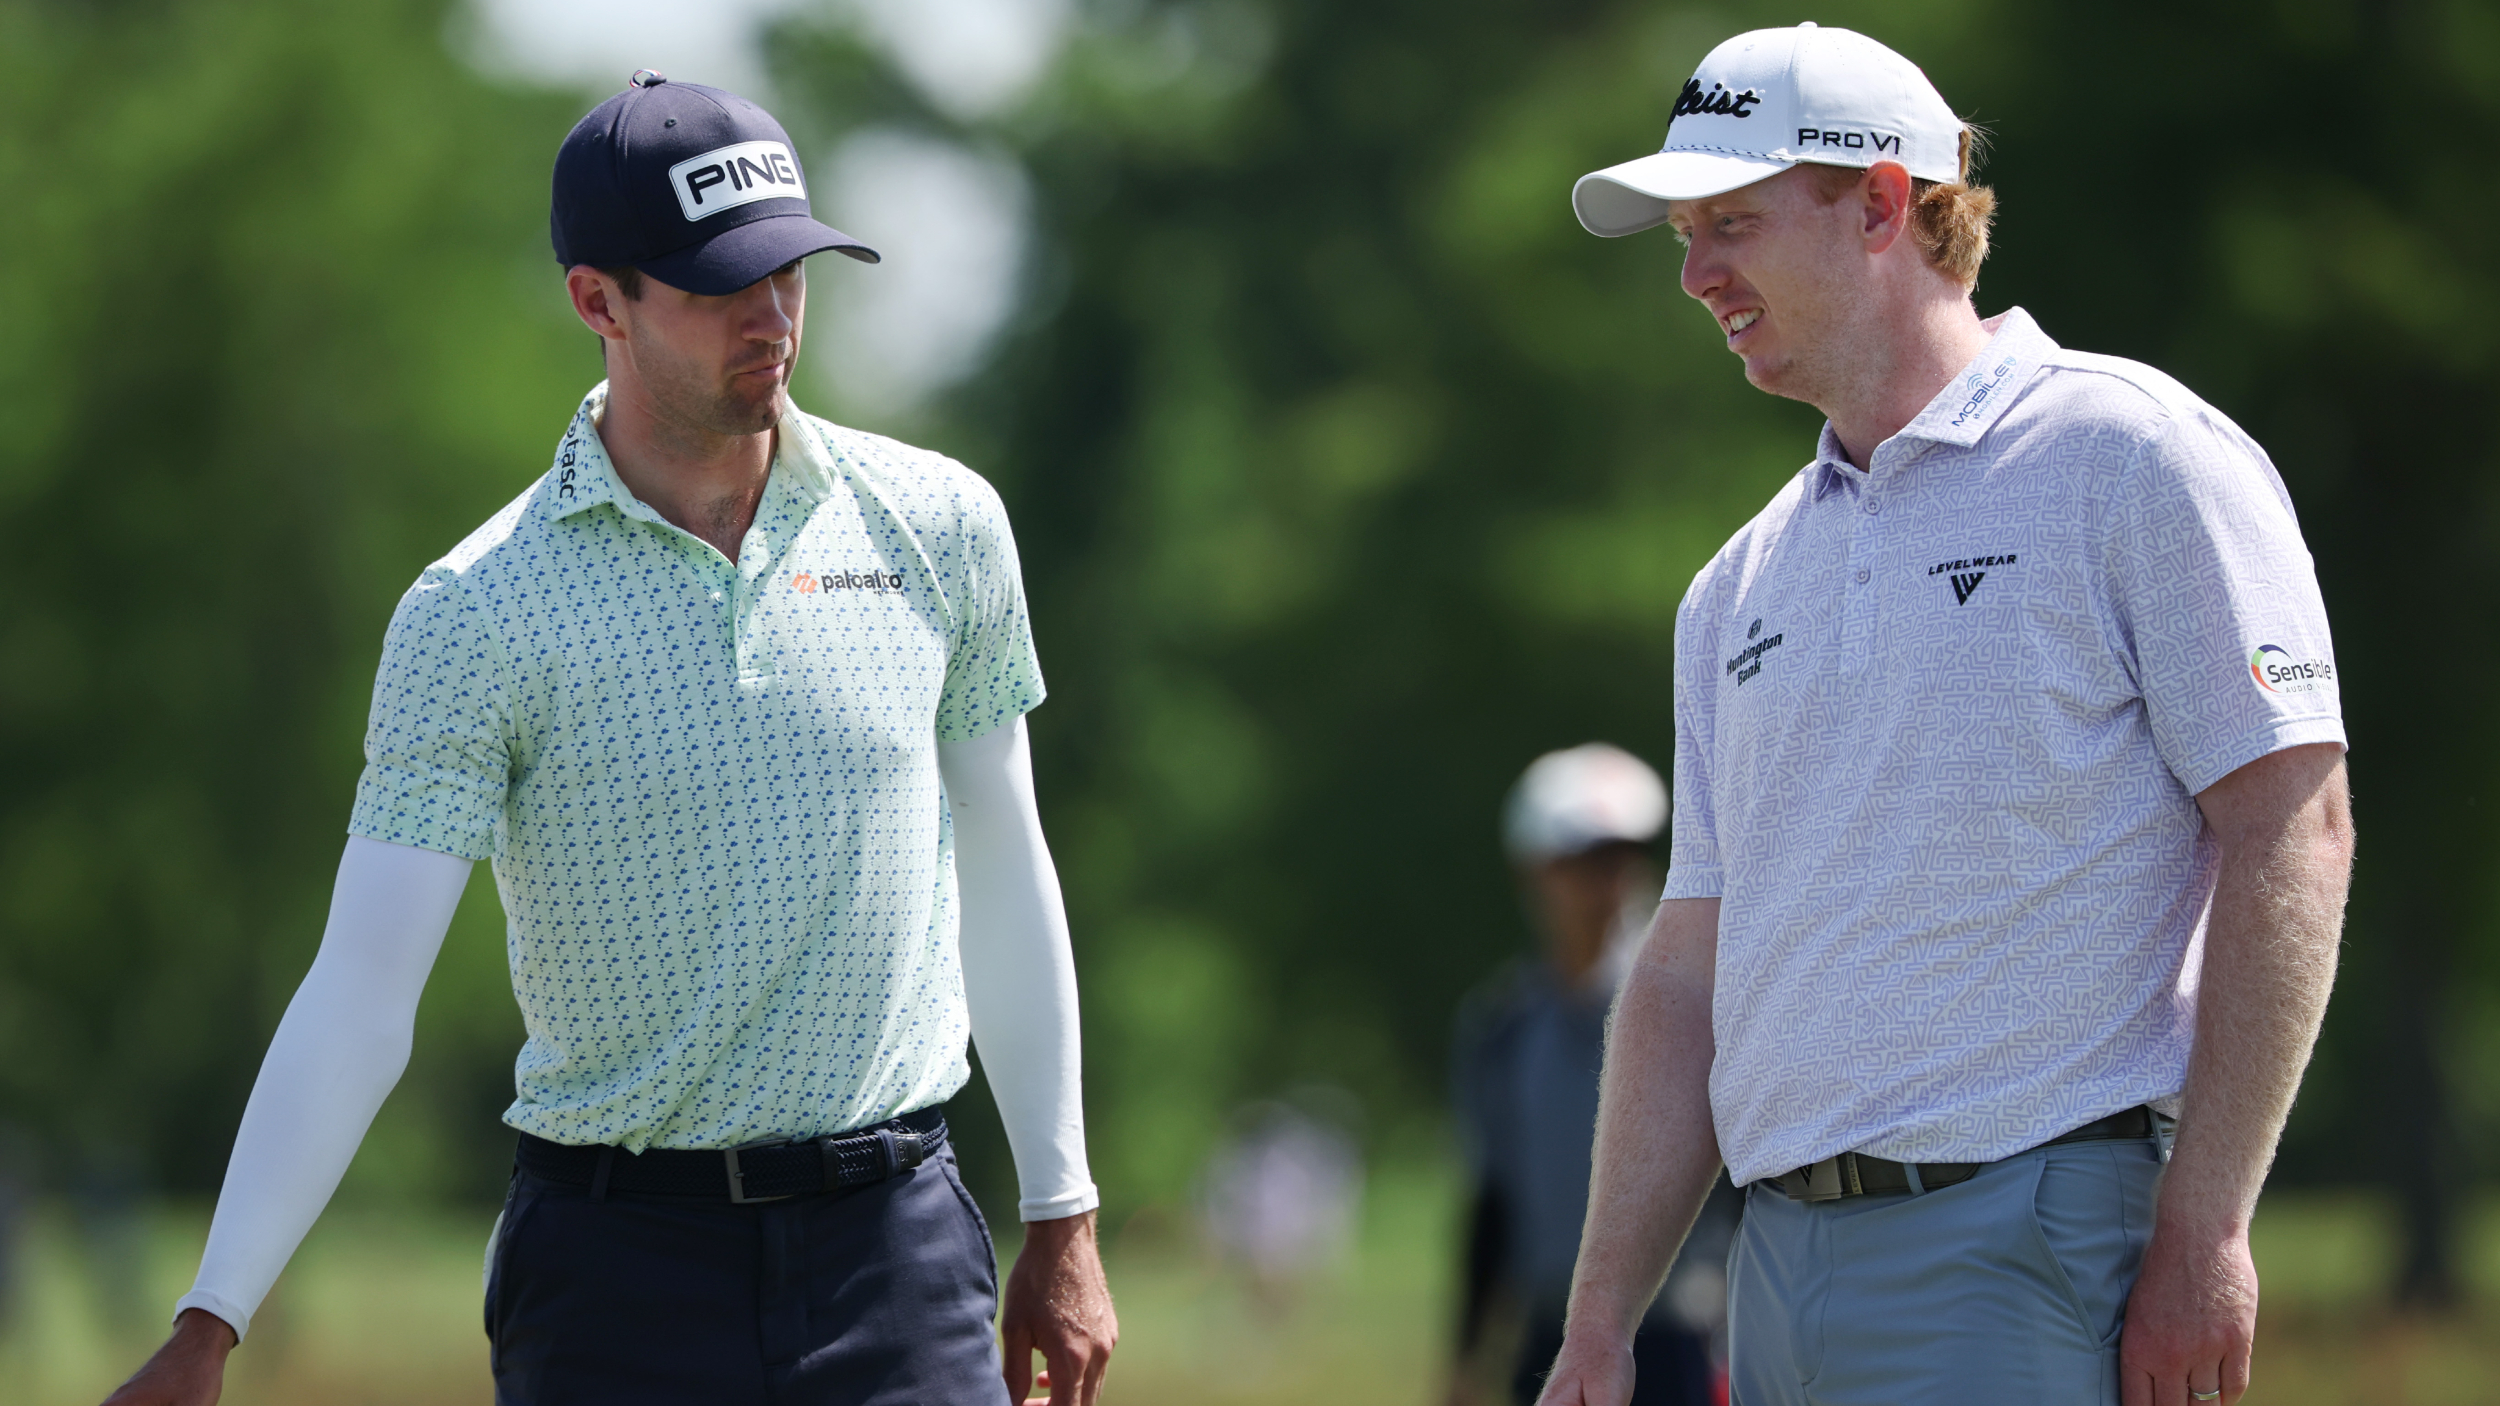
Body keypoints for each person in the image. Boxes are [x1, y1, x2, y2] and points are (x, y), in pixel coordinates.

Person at [100, 72, 1116, 1406]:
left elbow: (1005, 857)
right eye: (718, 286)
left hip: (897, 1248)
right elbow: (362, 986)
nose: (772, 317)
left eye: (790, 274)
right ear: (600, 301)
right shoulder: (476, 612)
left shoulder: (943, 526)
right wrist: (210, 1319)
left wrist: (1065, 1208)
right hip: (618, 1271)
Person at [1538, 23, 2353, 1406]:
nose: (1694, 275)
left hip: (2030, 1247)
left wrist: (2207, 1227)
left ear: (1884, 203)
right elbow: (1686, 966)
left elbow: (2297, 822)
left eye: (1730, 222)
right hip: (1777, 1274)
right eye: (1683, 235)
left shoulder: (2133, 455)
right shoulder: (1734, 586)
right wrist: (1601, 1319)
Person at [1449, 745, 1738, 1406]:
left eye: (1617, 858)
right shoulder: (1503, 1029)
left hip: (1687, 1339)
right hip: (1547, 1335)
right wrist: (1465, 1360)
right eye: (1579, 862)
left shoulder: (1687, 1017)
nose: (1603, 881)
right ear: (1535, 872)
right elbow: (1492, 1205)